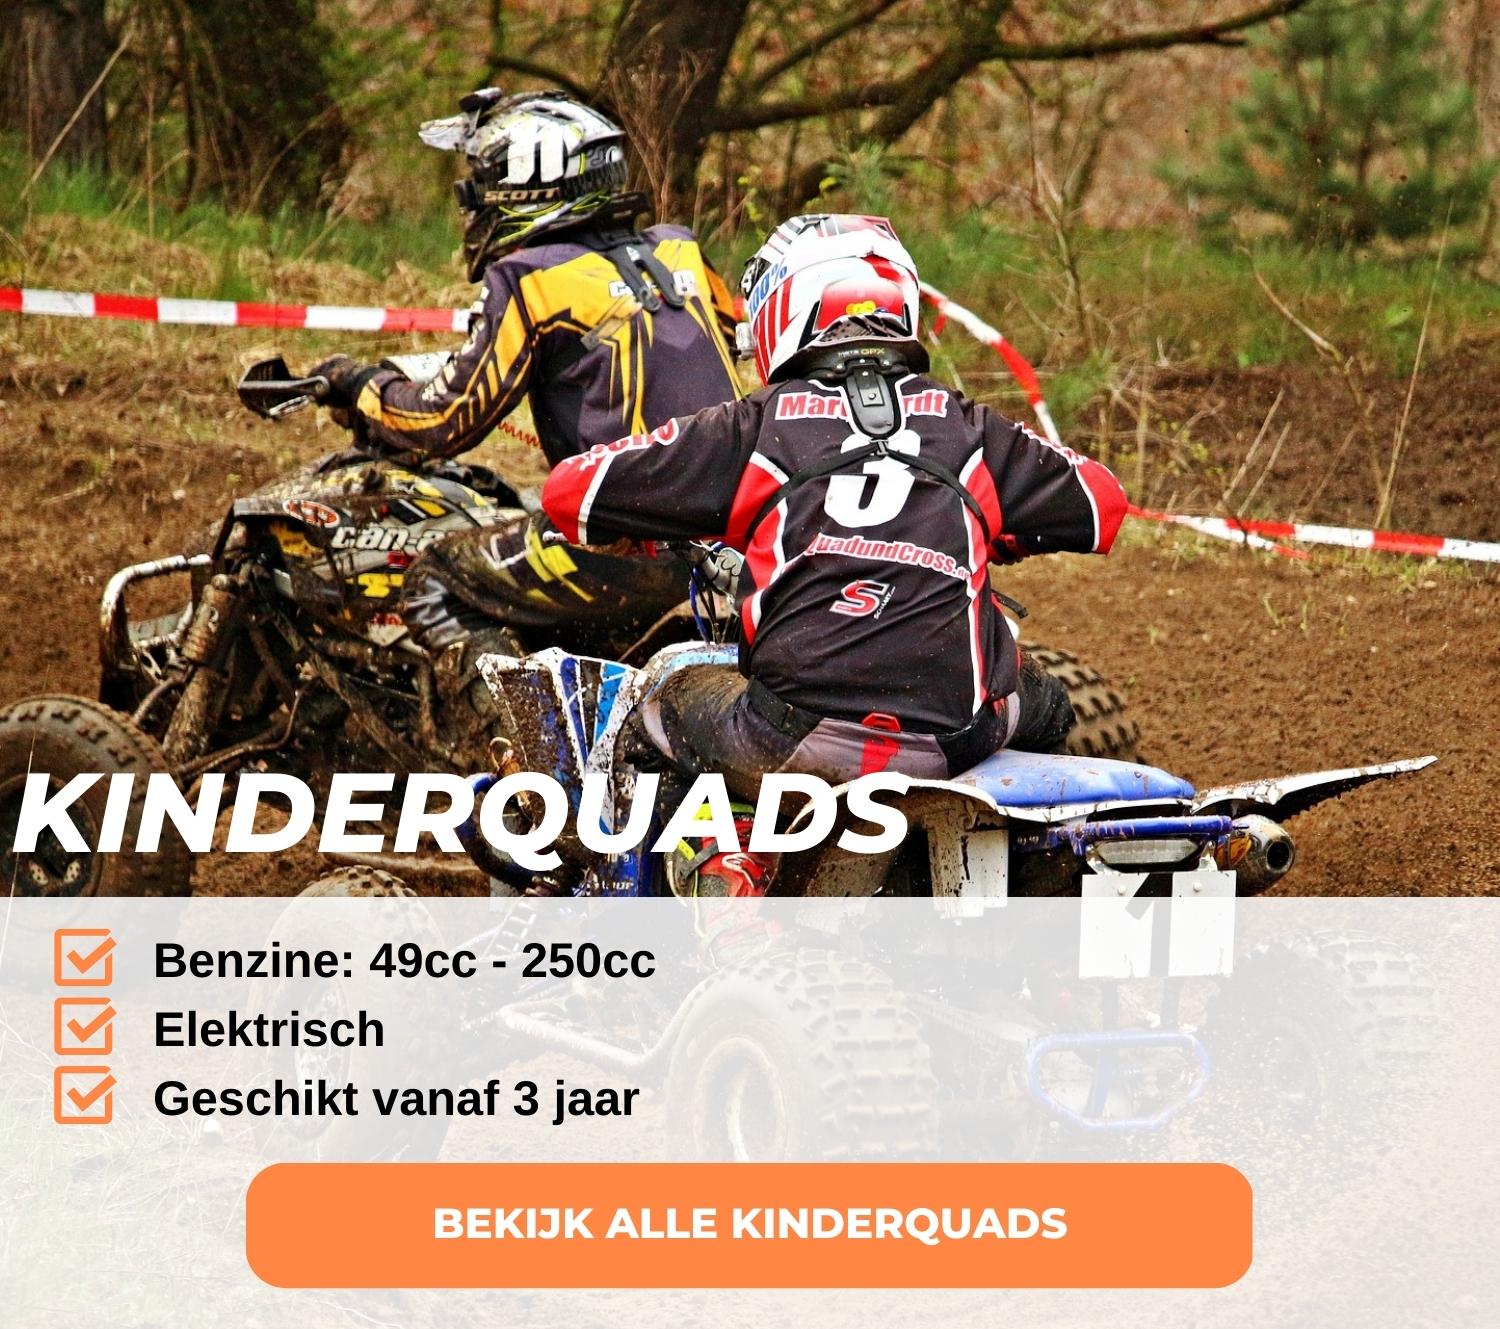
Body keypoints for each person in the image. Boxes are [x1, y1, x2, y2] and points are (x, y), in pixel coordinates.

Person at [540, 214, 1127, 895]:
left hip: (789, 733)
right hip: (956, 739)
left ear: (784, 311)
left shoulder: (753, 426)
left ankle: (720, 879)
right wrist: (999, 526)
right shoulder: (971, 427)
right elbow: (1103, 503)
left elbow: (570, 490)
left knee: (655, 705)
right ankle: (1030, 871)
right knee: (1046, 702)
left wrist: (641, 523)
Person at [308, 87, 744, 717]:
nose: (474, 203)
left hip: (628, 543)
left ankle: (522, 752)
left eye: (481, 185)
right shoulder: (680, 251)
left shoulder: (531, 278)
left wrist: (359, 385)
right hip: (734, 544)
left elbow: (441, 421)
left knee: (436, 579)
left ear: (524, 184)